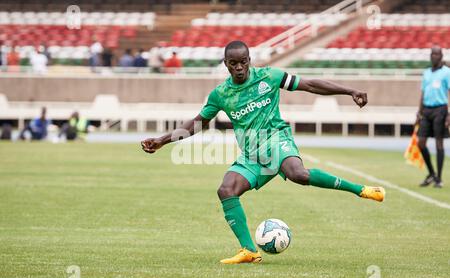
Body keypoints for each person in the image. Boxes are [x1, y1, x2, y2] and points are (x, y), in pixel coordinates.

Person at [141, 41, 385, 265]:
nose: (239, 67)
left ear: (249, 59)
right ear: (226, 64)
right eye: (233, 63)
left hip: (277, 139)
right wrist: (162, 140)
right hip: (252, 155)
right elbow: (197, 122)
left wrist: (349, 90)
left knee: (298, 174)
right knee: (226, 190)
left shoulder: (269, 76)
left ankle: (362, 190)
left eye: (243, 61)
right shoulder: (220, 94)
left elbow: (309, 85)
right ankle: (249, 250)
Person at [416, 46, 450, 188]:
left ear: (441, 56)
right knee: (421, 143)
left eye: (437, 54)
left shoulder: (447, 72)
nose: (434, 56)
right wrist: (419, 112)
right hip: (427, 110)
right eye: (432, 54)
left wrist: (449, 114)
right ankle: (432, 173)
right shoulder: (426, 73)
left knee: (439, 143)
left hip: (440, 110)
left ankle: (439, 179)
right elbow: (423, 93)